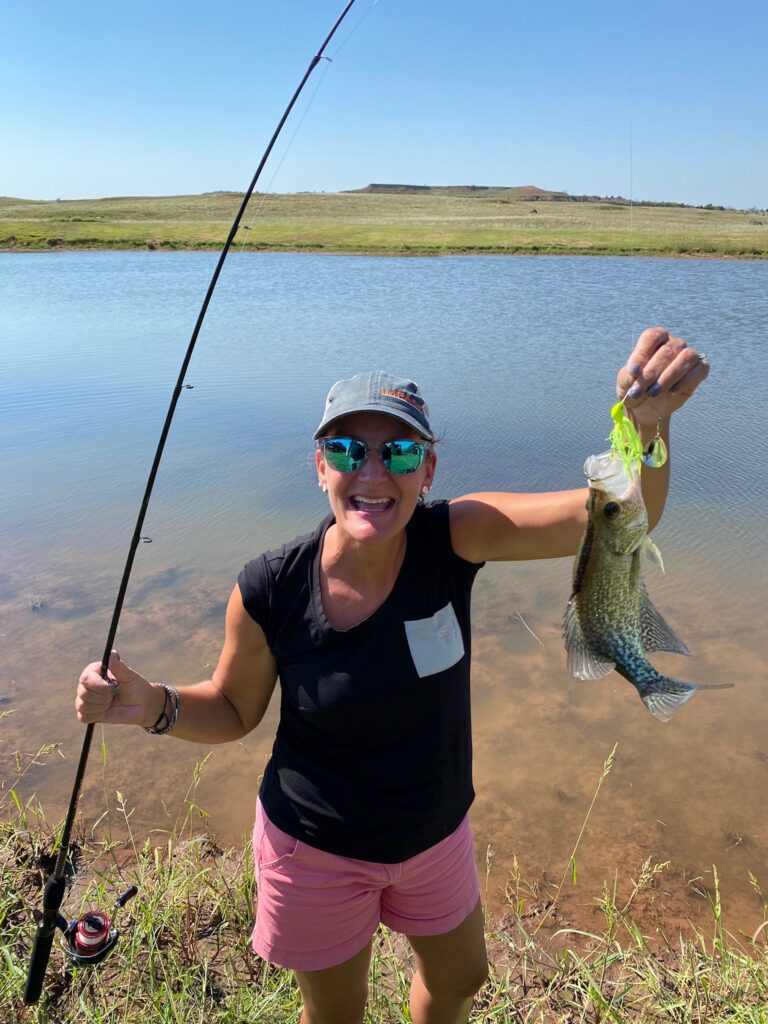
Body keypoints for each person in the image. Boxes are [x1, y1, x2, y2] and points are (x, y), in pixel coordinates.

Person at [76, 327, 709, 1024]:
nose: (373, 473)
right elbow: (231, 709)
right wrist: (155, 704)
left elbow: (616, 516)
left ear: (429, 470)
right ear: (320, 466)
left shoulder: (458, 535)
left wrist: (648, 432)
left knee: (463, 978)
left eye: (400, 451)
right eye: (348, 450)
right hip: (313, 848)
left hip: (434, 835)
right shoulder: (269, 587)